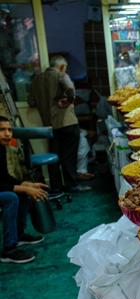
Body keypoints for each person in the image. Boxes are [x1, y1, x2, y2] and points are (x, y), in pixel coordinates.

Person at [28, 55, 91, 192]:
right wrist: (68, 101)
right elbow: (71, 90)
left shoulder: (37, 79)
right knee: (69, 156)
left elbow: (31, 102)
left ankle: (56, 187)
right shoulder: (61, 75)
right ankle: (72, 185)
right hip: (67, 123)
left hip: (49, 126)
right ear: (62, 67)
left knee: (55, 157)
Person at [0, 115, 47, 264]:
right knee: (11, 197)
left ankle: (18, 235)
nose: (7, 133)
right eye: (2, 130)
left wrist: (26, 184)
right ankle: (8, 249)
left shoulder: (1, 148)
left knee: (20, 193)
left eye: (9, 130)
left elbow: (3, 178)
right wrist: (24, 188)